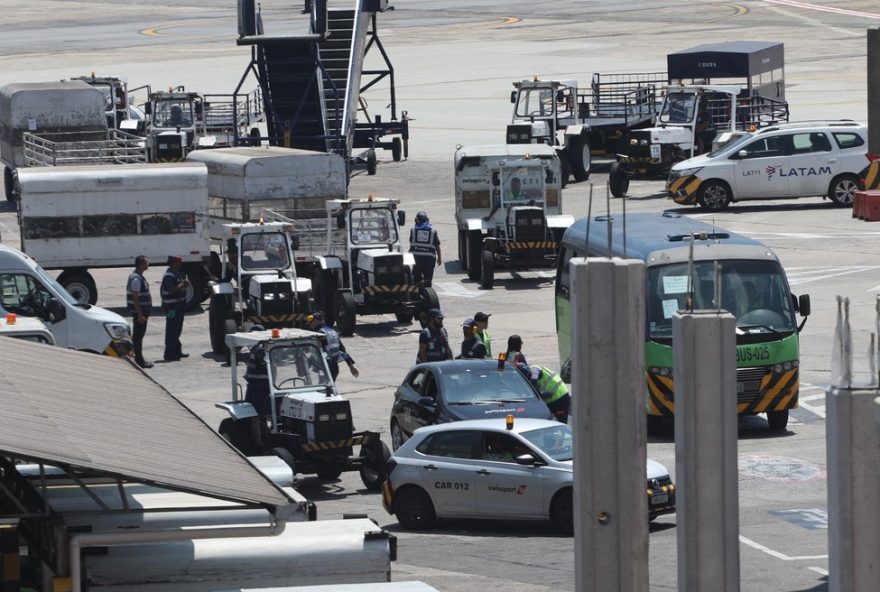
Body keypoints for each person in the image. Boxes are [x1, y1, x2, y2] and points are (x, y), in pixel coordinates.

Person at [307, 311, 359, 381]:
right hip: (334, 368)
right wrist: (351, 367)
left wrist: (307, 365)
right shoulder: (333, 332)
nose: (309, 324)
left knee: (324, 389)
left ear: (316, 320)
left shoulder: (320, 333)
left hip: (325, 368)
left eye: (311, 322)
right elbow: (342, 350)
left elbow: (318, 350)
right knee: (330, 389)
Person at [160, 255, 190, 362]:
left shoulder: (176, 274)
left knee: (177, 330)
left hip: (178, 307)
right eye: (178, 263)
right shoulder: (169, 276)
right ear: (173, 264)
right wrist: (182, 285)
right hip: (171, 308)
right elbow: (171, 290)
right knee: (171, 330)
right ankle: (169, 354)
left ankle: (177, 351)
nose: (180, 264)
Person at [126, 255, 153, 369]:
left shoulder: (138, 277)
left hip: (142, 312)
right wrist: (140, 315)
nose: (148, 265)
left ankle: (137, 358)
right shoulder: (136, 279)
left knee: (138, 336)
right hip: (140, 313)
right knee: (138, 337)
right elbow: (135, 298)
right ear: (141, 264)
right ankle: (138, 360)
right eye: (146, 263)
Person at [408, 211, 442, 286]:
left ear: (416, 220)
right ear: (427, 220)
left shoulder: (413, 231)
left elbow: (411, 242)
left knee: (416, 280)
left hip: (416, 259)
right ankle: (427, 293)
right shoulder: (433, 232)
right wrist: (439, 258)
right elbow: (437, 246)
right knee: (428, 281)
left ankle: (416, 295)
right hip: (429, 260)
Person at [244, 325, 271, 417]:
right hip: (254, 385)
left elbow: (262, 364)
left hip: (259, 387)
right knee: (248, 410)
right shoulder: (257, 348)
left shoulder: (260, 349)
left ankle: (261, 427)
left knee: (257, 412)